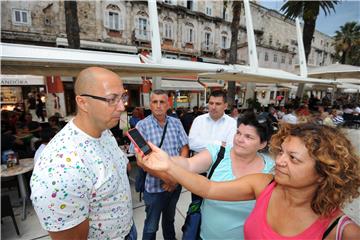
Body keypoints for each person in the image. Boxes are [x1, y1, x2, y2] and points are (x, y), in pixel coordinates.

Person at [140, 123, 360, 239]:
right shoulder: (264, 184)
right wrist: (168, 165)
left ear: (324, 172)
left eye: (293, 158)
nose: (280, 161)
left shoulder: (342, 231)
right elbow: (208, 187)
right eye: (281, 152)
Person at [30, 67, 136, 240]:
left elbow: (122, 166)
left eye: (122, 97)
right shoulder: (61, 168)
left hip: (127, 230)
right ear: (83, 102)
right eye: (111, 99)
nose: (122, 106)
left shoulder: (104, 130)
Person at [153, 111, 274, 239]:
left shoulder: (271, 170)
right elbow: (188, 164)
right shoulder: (219, 153)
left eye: (248, 137)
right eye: (238, 132)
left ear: (262, 144)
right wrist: (165, 160)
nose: (239, 139)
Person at [130, 89, 189, 240]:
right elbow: (141, 162)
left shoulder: (175, 123)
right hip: (154, 188)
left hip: (174, 186)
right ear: (150, 104)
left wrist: (175, 179)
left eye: (162, 102)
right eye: (154, 102)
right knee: (151, 226)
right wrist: (169, 179)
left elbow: (184, 148)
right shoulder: (142, 126)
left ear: (168, 104)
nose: (158, 105)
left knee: (169, 221)